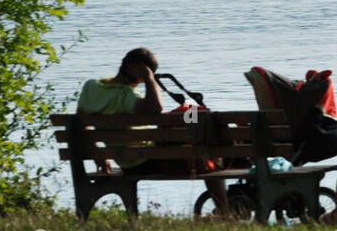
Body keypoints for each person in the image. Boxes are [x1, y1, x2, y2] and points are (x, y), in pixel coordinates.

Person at [76, 47, 230, 217]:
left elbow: (80, 122)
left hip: (127, 163)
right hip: (150, 160)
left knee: (190, 111)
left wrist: (99, 152)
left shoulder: (91, 87)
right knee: (205, 147)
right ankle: (225, 212)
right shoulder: (125, 96)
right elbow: (156, 108)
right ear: (140, 73)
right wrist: (150, 79)